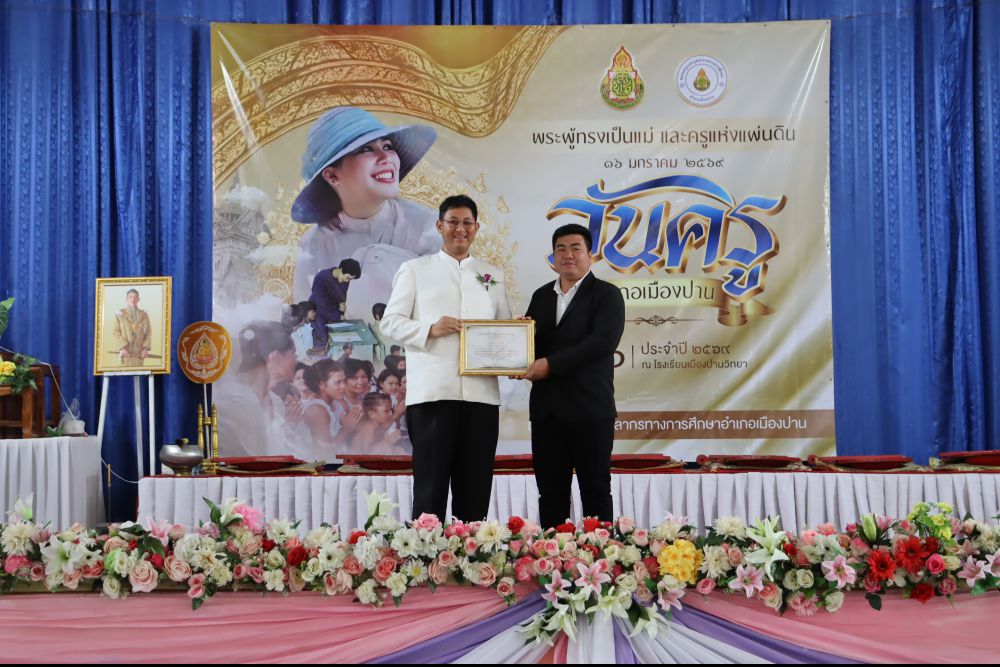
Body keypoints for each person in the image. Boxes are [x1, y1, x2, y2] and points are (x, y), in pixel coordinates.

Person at [381, 194, 511, 521]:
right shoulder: (415, 270)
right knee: (430, 490)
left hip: (481, 397)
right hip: (433, 396)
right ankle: (426, 552)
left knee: (475, 490)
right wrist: (430, 329)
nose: (460, 229)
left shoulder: (492, 275)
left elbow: (503, 328)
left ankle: (473, 550)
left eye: (467, 223)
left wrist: (516, 340)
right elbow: (390, 323)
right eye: (453, 222)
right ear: (439, 225)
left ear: (477, 228)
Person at [521, 223, 626, 529]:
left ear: (590, 254)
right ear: (553, 257)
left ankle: (601, 554)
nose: (568, 255)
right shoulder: (541, 296)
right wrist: (517, 340)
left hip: (590, 410)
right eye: (561, 249)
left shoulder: (607, 295)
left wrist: (550, 365)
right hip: (547, 413)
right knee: (550, 493)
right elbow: (533, 347)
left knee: (595, 489)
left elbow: (601, 343)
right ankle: (552, 553)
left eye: (575, 248)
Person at [291, 106, 441, 308]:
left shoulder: (430, 226)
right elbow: (307, 316)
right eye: (367, 149)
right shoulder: (314, 246)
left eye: (387, 146)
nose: (386, 157)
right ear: (333, 176)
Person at [309, 258, 361, 350]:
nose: (348, 281)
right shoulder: (322, 277)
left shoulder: (345, 280)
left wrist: (342, 313)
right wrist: (338, 316)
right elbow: (320, 300)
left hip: (332, 310)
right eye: (348, 278)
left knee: (341, 334)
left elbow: (342, 296)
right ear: (341, 269)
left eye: (350, 279)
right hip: (318, 309)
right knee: (323, 338)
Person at [113, 289, 152, 365]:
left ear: (138, 299)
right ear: (126, 299)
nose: (133, 299)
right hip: (125, 352)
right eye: (130, 297)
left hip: (139, 353)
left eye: (135, 297)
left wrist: (145, 349)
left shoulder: (144, 315)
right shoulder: (120, 314)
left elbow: (148, 332)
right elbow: (115, 331)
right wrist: (122, 347)